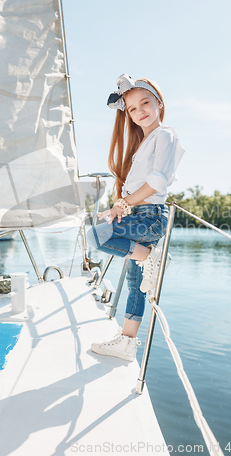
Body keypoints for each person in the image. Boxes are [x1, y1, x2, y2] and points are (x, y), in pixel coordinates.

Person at [86, 74, 185, 361]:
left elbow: (156, 183)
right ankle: (127, 342)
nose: (140, 111)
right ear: (127, 114)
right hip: (142, 214)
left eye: (145, 103)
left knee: (95, 235)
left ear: (159, 104)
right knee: (135, 284)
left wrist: (121, 204)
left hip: (150, 215)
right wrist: (125, 204)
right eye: (132, 108)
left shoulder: (165, 135)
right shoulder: (144, 143)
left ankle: (147, 255)